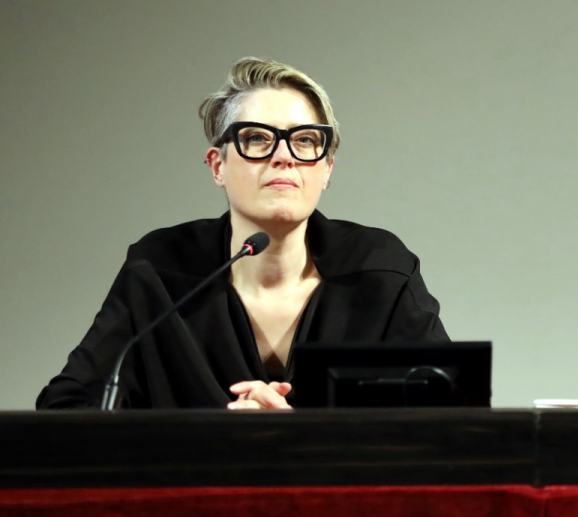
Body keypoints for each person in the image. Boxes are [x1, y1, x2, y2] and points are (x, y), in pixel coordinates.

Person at [38, 57, 448, 410]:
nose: (284, 156)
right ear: (218, 165)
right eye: (257, 138)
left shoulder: (381, 271)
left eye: (305, 140)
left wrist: (299, 434)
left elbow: (449, 412)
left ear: (326, 169)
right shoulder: (159, 270)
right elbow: (67, 408)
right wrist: (219, 438)